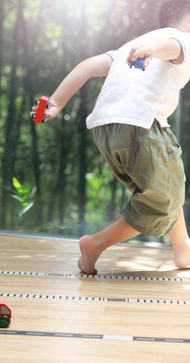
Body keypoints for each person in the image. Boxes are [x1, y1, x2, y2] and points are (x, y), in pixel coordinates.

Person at [32, 0, 190, 274]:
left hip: (106, 129)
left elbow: (86, 66)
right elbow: (172, 47)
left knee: (169, 182)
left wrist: (56, 103)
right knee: (161, 200)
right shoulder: (181, 39)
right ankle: (95, 244)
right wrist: (153, 49)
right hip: (140, 124)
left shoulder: (130, 46)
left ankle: (182, 248)